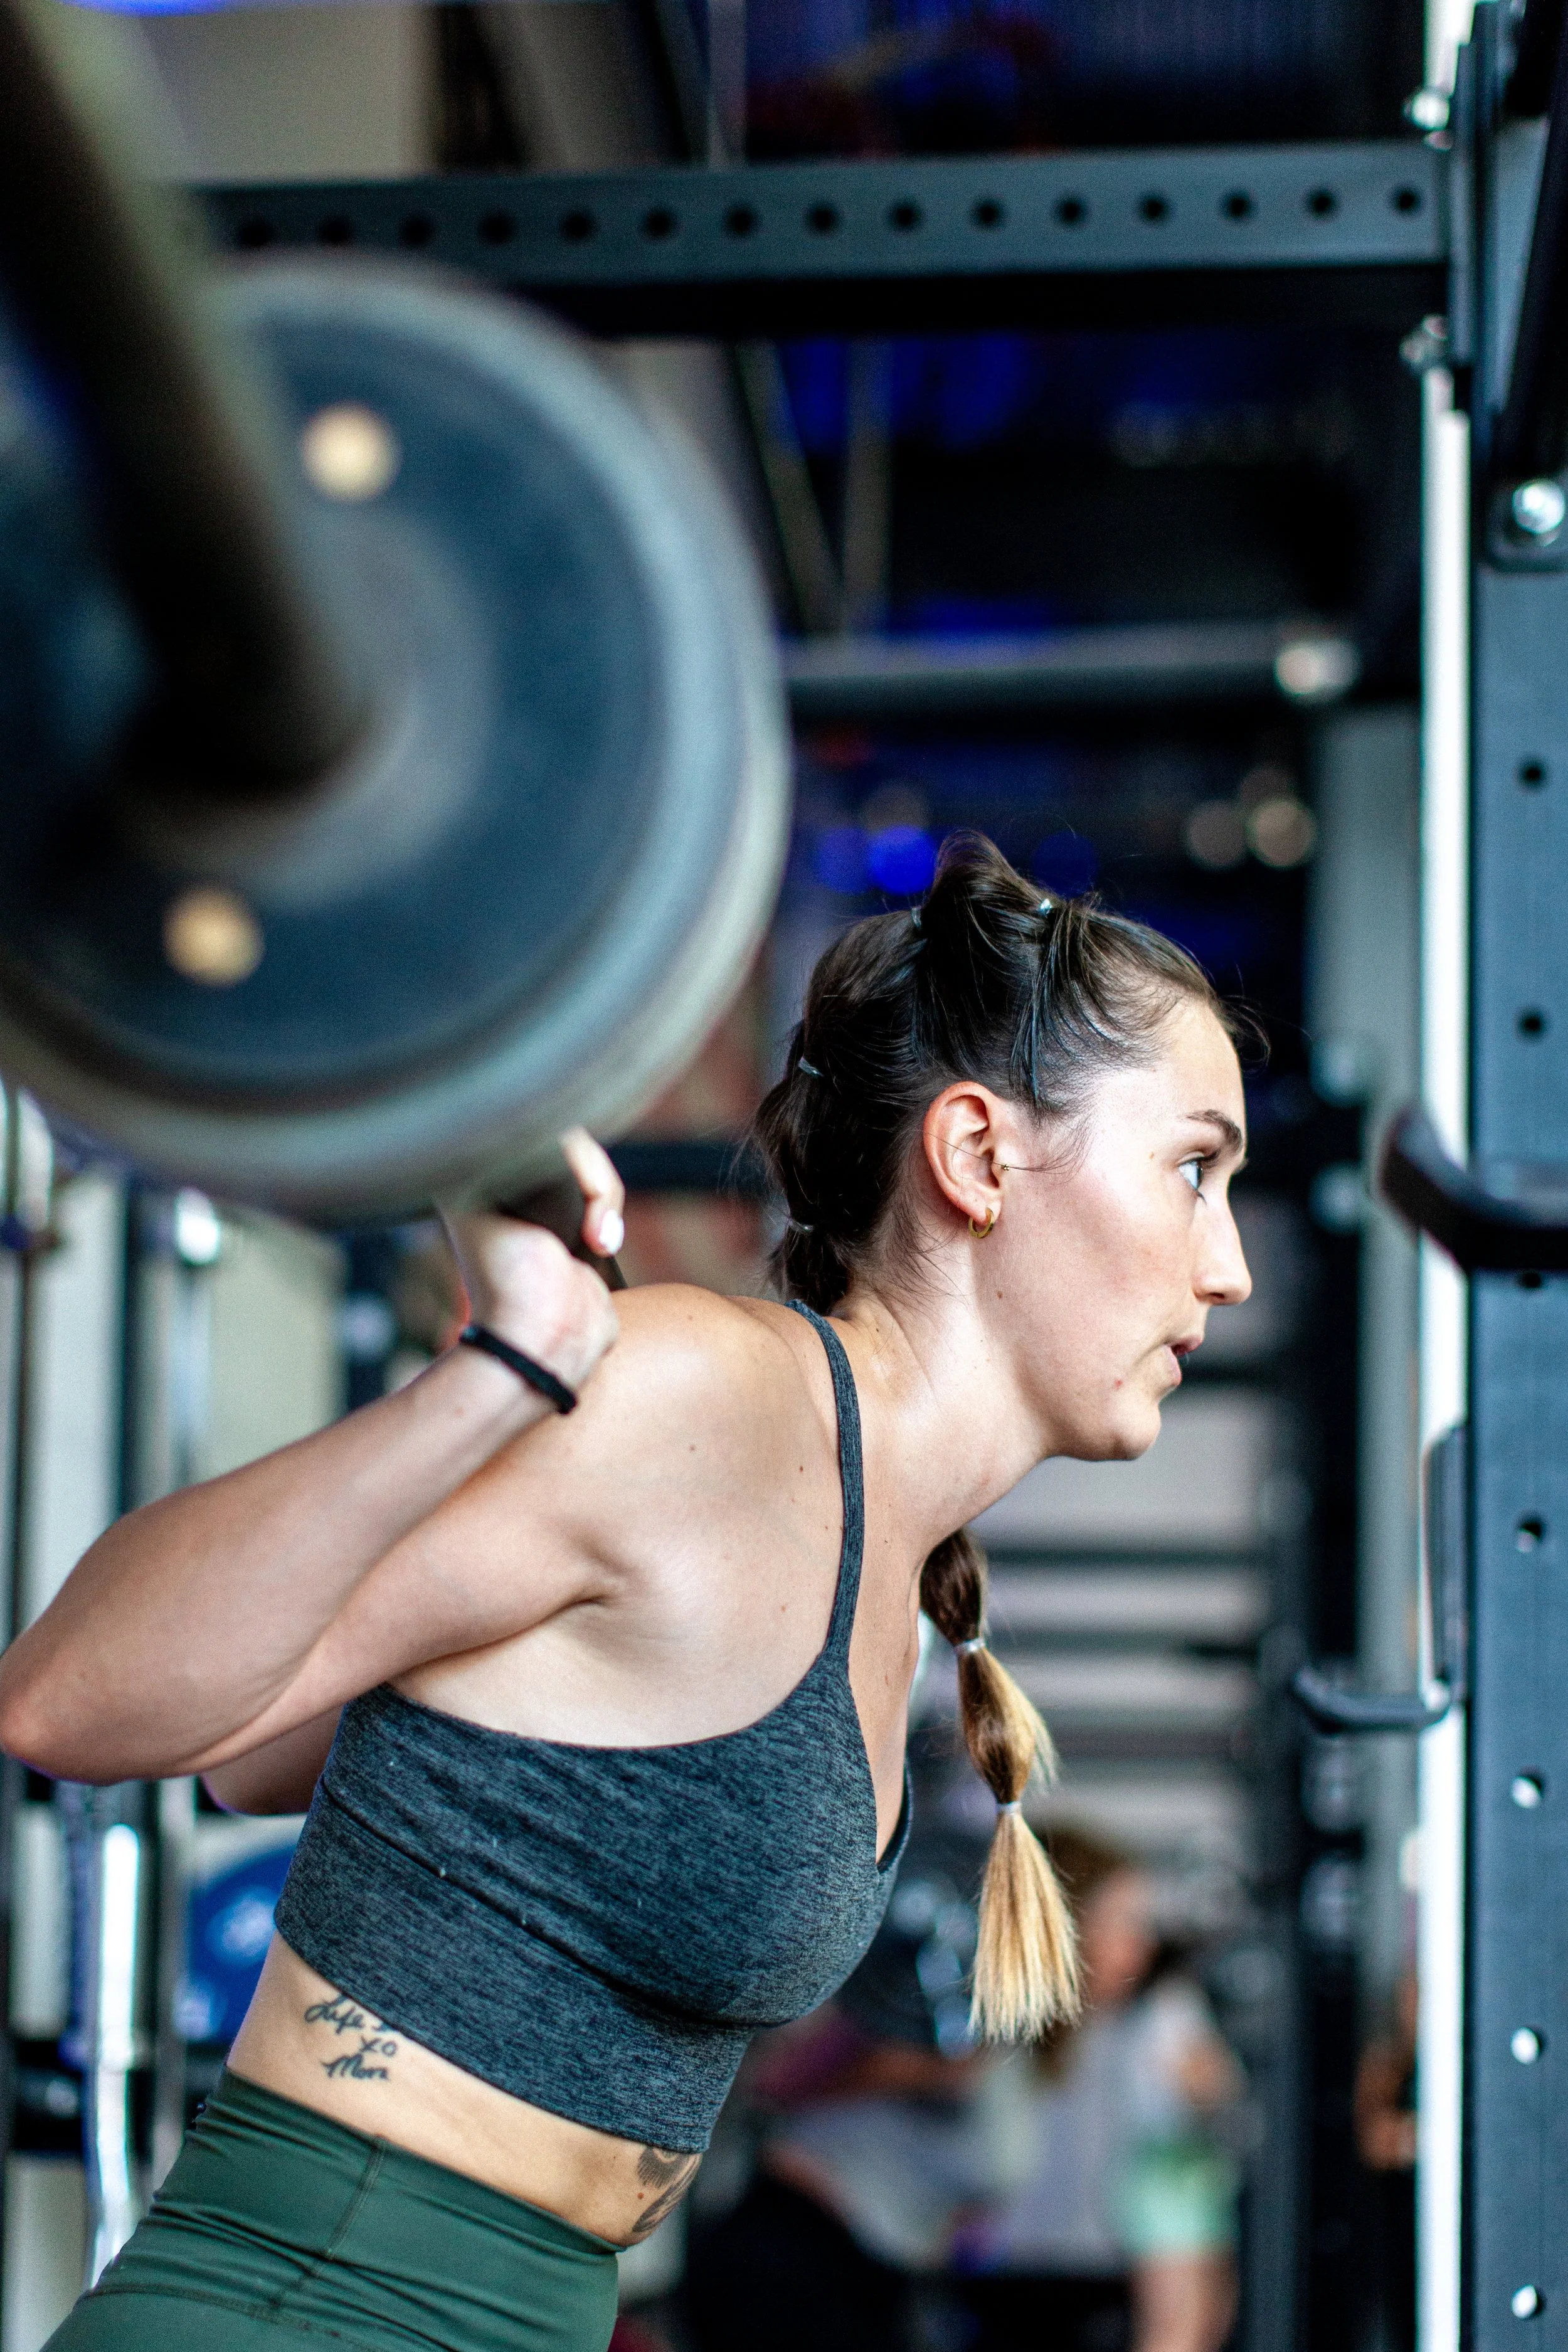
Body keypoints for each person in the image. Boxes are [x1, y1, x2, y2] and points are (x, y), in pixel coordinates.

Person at [0, 835, 1251, 2352]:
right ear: (980, 1154)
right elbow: (68, 1699)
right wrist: (506, 1369)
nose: (1229, 1262)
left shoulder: (881, 1560)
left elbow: (283, 1746)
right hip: (315, 2304)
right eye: (1192, 1167)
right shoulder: (707, 1401)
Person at [956, 1833, 1244, 2352]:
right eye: (1125, 1924)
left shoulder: (1146, 2027)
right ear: (1070, 1928)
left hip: (1099, 2289)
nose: (1144, 1946)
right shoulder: (985, 2037)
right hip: (1009, 2293)